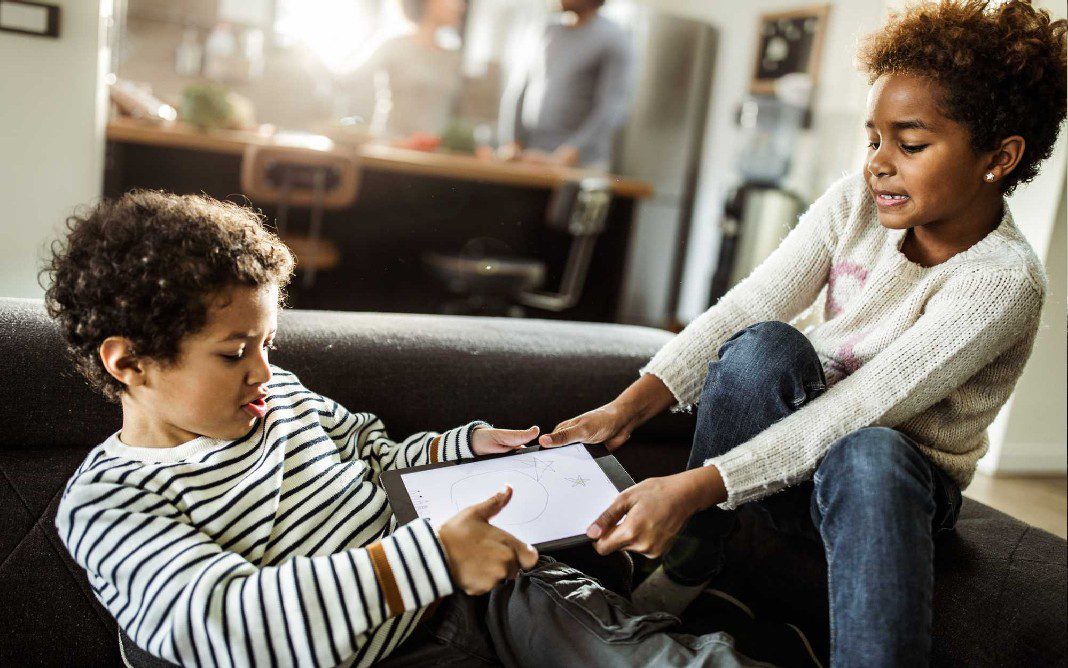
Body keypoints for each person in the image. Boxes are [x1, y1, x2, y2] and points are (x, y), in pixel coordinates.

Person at [46, 191, 810, 667]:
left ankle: (704, 628)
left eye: (268, 342)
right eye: (233, 352)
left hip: (470, 594)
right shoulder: (108, 505)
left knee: (640, 654)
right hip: (402, 613)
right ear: (130, 363)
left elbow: (375, 456)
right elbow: (217, 624)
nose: (261, 369)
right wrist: (426, 561)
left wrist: (462, 447)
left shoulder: (278, 395)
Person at [537, 1, 1066, 665]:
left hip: (892, 488)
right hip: (790, 464)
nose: (878, 163)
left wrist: (692, 485)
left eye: (910, 144)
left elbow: (862, 407)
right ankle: (696, 563)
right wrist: (627, 407)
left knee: (869, 450)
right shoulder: (855, 202)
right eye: (873, 139)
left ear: (1000, 157)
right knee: (764, 346)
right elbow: (749, 304)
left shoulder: (1002, 281)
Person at [498, 0, 634, 169]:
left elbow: (612, 107)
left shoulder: (612, 38)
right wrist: (513, 141)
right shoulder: (545, 30)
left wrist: (571, 152)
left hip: (580, 163)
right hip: (530, 156)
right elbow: (518, 89)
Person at [353, 0, 467, 140]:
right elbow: (347, 82)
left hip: (433, 154)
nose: (461, 6)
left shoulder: (453, 58)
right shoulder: (394, 46)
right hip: (390, 150)